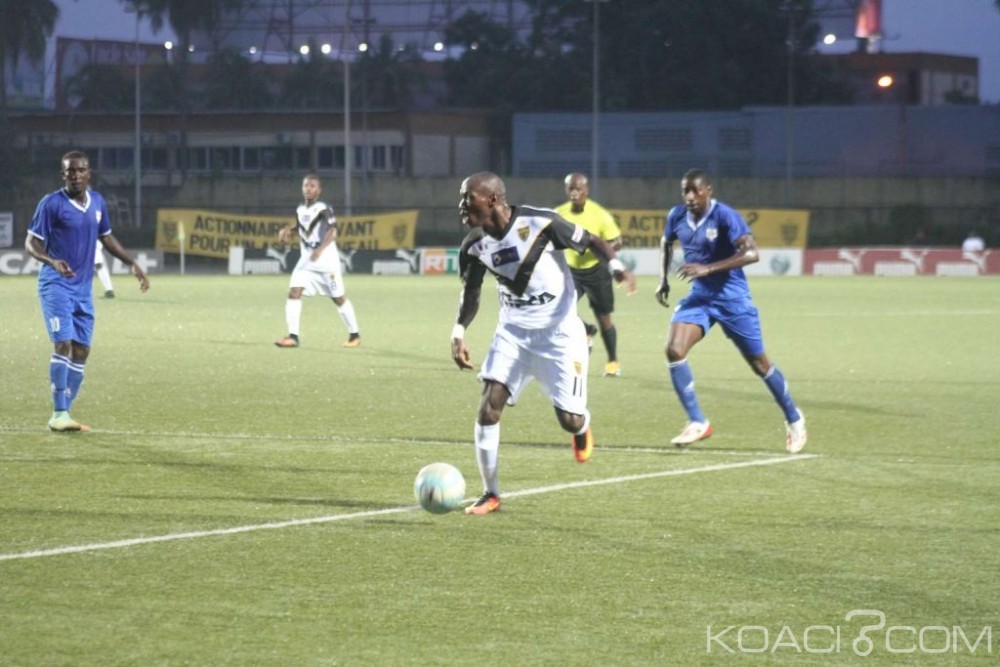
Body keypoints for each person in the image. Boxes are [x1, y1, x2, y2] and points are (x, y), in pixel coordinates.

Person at [451, 172, 636, 515]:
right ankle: (490, 493)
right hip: (513, 335)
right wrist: (459, 331)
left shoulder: (542, 223)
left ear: (492, 199)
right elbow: (472, 292)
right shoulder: (474, 245)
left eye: (468, 198)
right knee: (488, 406)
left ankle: (582, 426)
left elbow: (593, 240)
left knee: (569, 418)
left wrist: (616, 265)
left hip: (560, 336)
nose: (462, 206)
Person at [655, 169, 806, 453]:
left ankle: (794, 418)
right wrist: (663, 279)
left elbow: (752, 253)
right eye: (685, 191)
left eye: (694, 191)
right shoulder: (676, 215)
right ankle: (697, 422)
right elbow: (666, 243)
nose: (689, 197)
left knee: (760, 364)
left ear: (708, 191)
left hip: (733, 299)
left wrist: (707, 268)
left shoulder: (725, 216)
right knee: (674, 350)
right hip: (700, 297)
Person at [26, 150, 150, 432]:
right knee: (63, 344)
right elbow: (31, 243)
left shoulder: (97, 202)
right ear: (63, 174)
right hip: (55, 284)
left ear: (88, 173)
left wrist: (131, 263)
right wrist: (51, 260)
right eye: (71, 171)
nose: (76, 175)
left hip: (83, 289)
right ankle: (58, 414)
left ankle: (65, 413)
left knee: (82, 350)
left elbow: (106, 236)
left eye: (81, 170)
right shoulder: (51, 204)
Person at [554, 172, 631, 377]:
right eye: (571, 188)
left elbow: (617, 241)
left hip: (597, 271)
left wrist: (596, 248)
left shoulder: (599, 214)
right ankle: (586, 330)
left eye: (578, 188)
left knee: (604, 317)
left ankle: (613, 361)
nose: (574, 192)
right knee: (561, 310)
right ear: (566, 190)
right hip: (570, 272)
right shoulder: (559, 214)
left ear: (586, 190)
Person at [274, 174, 361, 349]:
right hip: (306, 262)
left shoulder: (324, 208)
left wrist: (319, 250)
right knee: (294, 292)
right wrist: (288, 232)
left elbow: (332, 231)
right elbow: (302, 228)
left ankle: (355, 334)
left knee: (338, 298)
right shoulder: (300, 209)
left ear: (318, 190)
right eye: (306, 185)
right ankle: (293, 336)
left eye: (312, 186)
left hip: (326, 262)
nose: (308, 188)